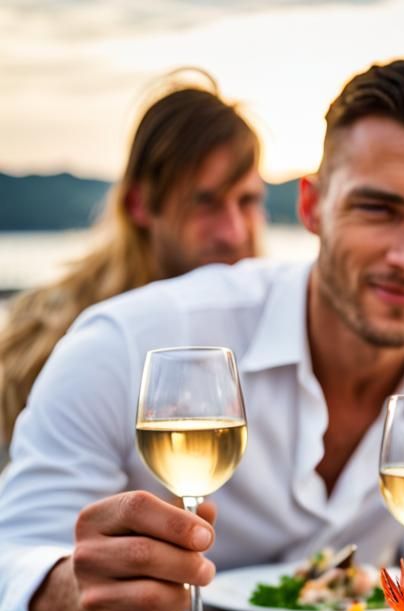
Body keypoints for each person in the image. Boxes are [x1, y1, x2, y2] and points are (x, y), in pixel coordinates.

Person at [0, 59, 404, 611]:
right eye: (377, 210)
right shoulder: (126, 343)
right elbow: (13, 559)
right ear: (311, 207)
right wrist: (69, 592)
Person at [0, 72, 265, 447]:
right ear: (139, 205)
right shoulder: (47, 341)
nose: (234, 232)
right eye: (205, 202)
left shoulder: (280, 328)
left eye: (248, 201)